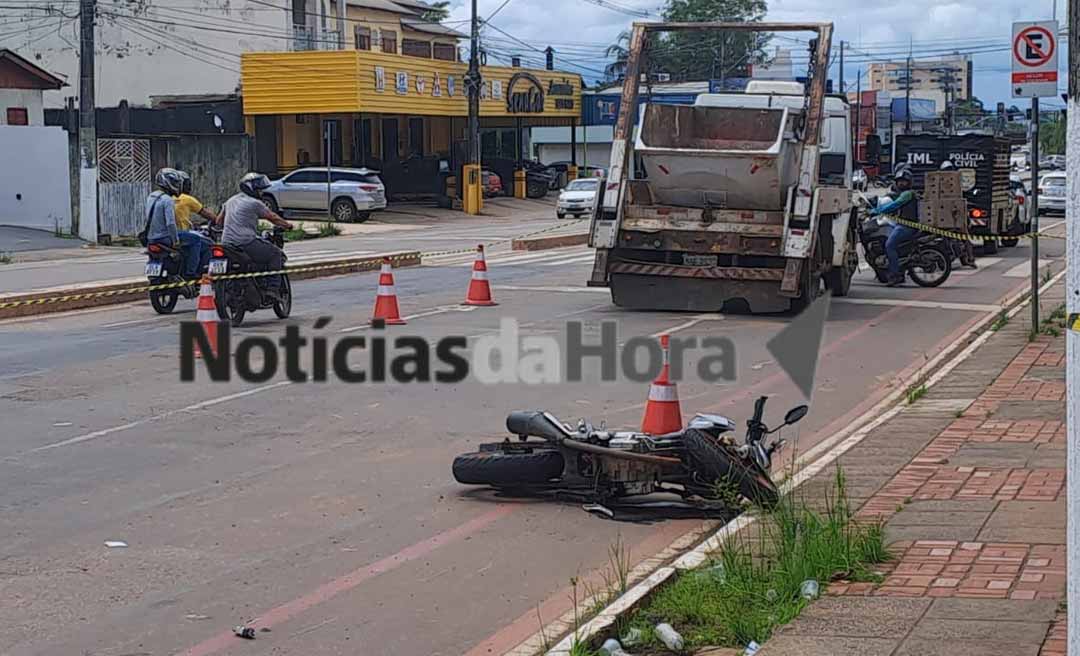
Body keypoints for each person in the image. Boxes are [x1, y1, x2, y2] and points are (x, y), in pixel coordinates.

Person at [220, 172, 293, 299]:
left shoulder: (230, 200)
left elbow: (218, 221)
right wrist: (288, 225)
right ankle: (272, 289)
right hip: (245, 242)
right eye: (259, 190)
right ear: (251, 188)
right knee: (275, 254)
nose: (261, 193)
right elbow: (273, 217)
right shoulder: (254, 203)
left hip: (226, 242)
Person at [870, 163, 920, 286]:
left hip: (907, 227)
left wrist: (877, 211)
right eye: (899, 181)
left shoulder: (907, 194)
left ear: (909, 182)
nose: (901, 184)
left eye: (904, 181)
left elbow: (894, 205)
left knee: (889, 246)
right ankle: (899, 271)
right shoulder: (905, 193)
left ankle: (895, 275)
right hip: (904, 225)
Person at [145, 168, 193, 274]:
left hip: (151, 239)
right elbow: (170, 223)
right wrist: (175, 241)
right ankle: (190, 273)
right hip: (164, 238)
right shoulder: (167, 199)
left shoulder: (151, 196)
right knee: (196, 240)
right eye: (175, 182)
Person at [173, 171, 218, 276]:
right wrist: (218, 220)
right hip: (182, 234)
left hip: (167, 235)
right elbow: (206, 214)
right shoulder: (187, 199)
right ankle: (195, 273)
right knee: (209, 244)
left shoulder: (166, 198)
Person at [939, 160, 977, 269]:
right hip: (945, 215)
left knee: (964, 236)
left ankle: (970, 258)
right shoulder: (941, 183)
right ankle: (968, 258)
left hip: (956, 214)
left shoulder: (956, 182)